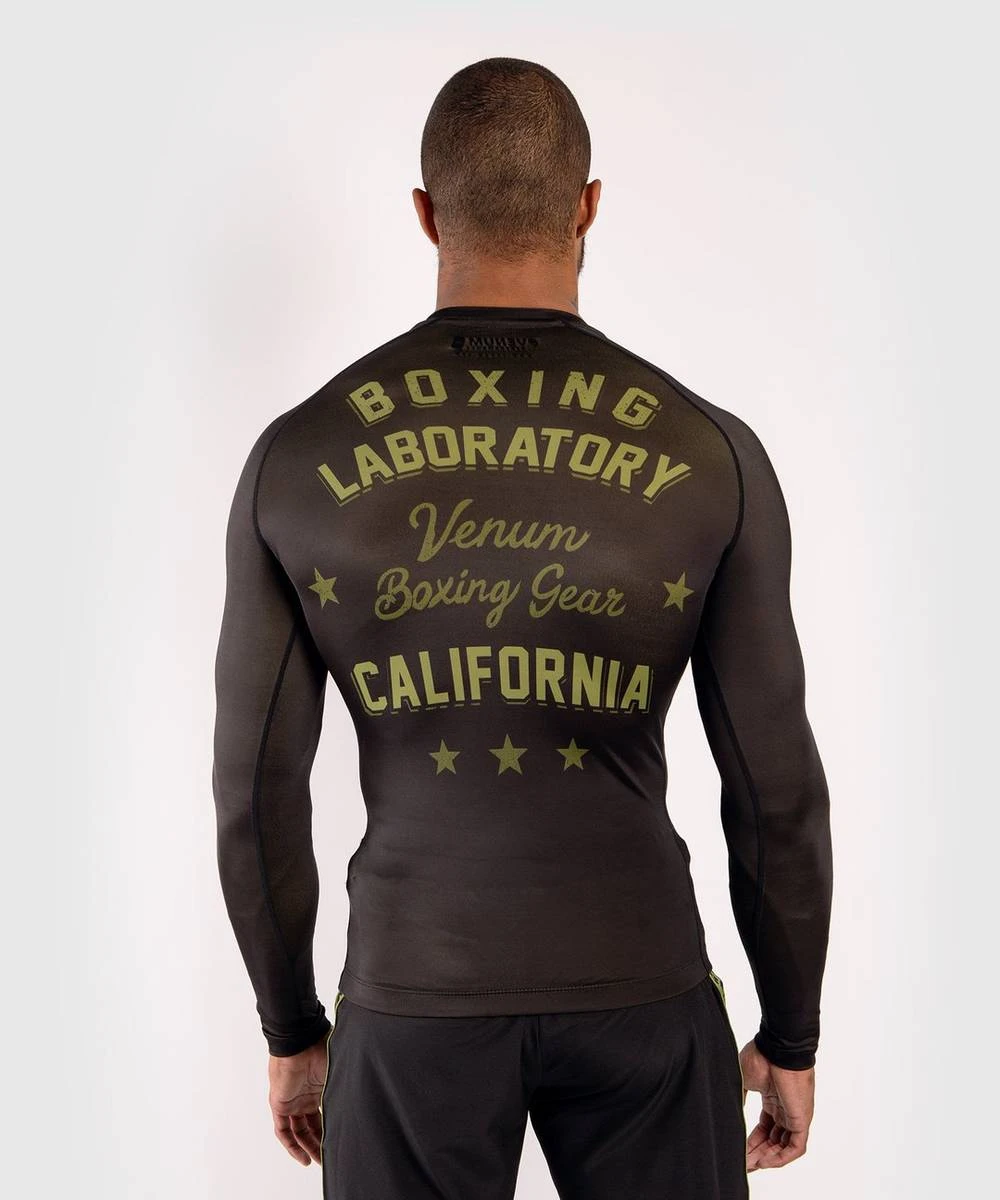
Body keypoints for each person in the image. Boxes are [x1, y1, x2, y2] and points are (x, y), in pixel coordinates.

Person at [211, 56, 833, 1200]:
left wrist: (292, 1029)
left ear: (425, 213)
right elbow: (776, 787)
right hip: (646, 999)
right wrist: (789, 1036)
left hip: (411, 1004)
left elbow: (254, 793)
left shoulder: (295, 462)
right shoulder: (710, 454)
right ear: (587, 205)